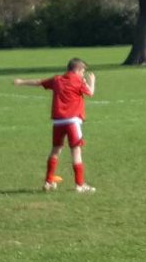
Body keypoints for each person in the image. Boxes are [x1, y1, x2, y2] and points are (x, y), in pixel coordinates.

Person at [14, 58, 97, 193]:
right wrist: (92, 82)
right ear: (77, 70)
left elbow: (39, 82)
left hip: (58, 122)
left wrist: (21, 82)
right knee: (76, 152)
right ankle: (80, 185)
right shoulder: (78, 81)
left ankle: (48, 182)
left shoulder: (57, 79)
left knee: (55, 150)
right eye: (83, 71)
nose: (83, 74)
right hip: (72, 122)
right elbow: (91, 93)